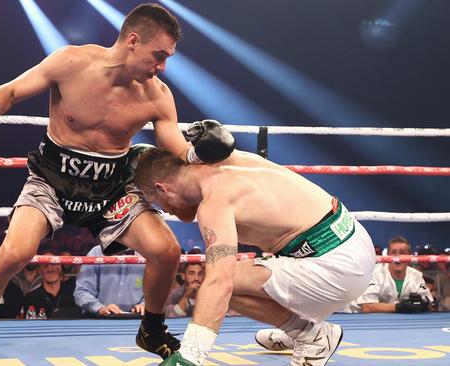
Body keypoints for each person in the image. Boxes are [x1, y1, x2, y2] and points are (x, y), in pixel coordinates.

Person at [0, 3, 236, 365]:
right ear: (133, 41)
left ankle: (151, 329)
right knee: (14, 252)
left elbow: (177, 146)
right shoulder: (72, 63)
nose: (162, 66)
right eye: (159, 55)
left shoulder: (157, 95)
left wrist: (201, 153)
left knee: (166, 251)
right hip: (51, 181)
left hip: (110, 190)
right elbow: (11, 92)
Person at [133, 148, 376, 366]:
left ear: (161, 188)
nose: (165, 211)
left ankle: (310, 336)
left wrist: (189, 356)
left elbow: (220, 282)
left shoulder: (215, 202)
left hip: (335, 266)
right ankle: (305, 330)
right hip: (350, 239)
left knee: (217, 283)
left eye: (159, 204)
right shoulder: (231, 159)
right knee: (223, 279)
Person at [343, 237, 433, 314]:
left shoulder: (416, 275)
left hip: (398, 321)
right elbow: (367, 307)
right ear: (388, 256)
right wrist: (399, 307)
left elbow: (429, 303)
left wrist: (423, 304)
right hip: (358, 319)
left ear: (409, 256)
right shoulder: (375, 273)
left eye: (402, 252)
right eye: (393, 252)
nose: (397, 256)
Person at [74, 244, 145, 317]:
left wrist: (144, 305)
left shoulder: (146, 253)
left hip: (137, 318)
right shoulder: (96, 253)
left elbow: (154, 292)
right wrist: (100, 308)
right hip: (99, 319)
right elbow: (81, 292)